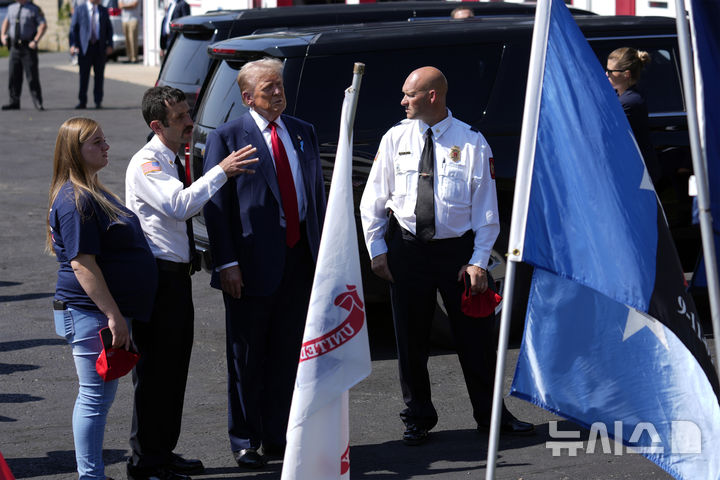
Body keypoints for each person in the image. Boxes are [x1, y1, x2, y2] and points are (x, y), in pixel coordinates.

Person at [359, 66, 534, 446]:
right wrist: (377, 249)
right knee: (411, 339)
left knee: (476, 338)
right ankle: (417, 416)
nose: (403, 101)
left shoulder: (471, 142)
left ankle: (492, 418)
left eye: (410, 94)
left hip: (456, 254)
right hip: (406, 248)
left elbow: (487, 210)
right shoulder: (395, 138)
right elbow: (373, 198)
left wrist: (479, 259)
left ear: (433, 96)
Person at [124, 86, 259, 480]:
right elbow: (179, 204)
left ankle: (163, 451)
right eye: (180, 118)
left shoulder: (170, 155)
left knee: (174, 369)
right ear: (156, 125)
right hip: (157, 281)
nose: (189, 122)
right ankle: (145, 461)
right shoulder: (147, 162)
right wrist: (222, 170)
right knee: (154, 374)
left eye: (188, 112)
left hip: (176, 279)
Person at [203, 57, 326, 469]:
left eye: (279, 85)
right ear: (247, 97)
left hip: (298, 261)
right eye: (268, 87)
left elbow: (316, 199)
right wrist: (227, 263)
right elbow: (217, 209)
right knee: (247, 356)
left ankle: (278, 436)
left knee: (287, 352)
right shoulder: (227, 138)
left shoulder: (303, 131)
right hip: (250, 266)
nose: (278, 92)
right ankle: (245, 439)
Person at [47, 117, 158, 480]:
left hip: (98, 313)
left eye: (105, 140)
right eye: (97, 142)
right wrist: (113, 315)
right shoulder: (74, 199)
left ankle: (91, 474)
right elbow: (82, 264)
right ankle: (90, 475)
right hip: (91, 314)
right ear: (75, 152)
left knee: (99, 398)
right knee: (94, 400)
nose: (106, 146)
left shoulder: (91, 190)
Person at [606, 47, 660, 184]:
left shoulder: (630, 101)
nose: (607, 74)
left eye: (611, 71)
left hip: (638, 175)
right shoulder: (624, 97)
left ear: (626, 74)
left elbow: (607, 130)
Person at [0, 0, 46, 111]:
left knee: (32, 76)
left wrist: (35, 41)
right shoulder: (12, 7)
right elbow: (6, 21)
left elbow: (43, 25)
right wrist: (2, 35)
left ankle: (37, 102)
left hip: (28, 47)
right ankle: (14, 101)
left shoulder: (34, 9)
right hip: (14, 47)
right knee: (13, 76)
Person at [69, 0, 113, 109]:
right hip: (85, 48)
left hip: (99, 48)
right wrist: (73, 44)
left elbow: (109, 29)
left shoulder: (103, 10)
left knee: (99, 76)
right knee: (84, 76)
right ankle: (82, 101)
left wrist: (110, 44)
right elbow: (73, 29)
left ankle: (98, 101)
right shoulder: (80, 9)